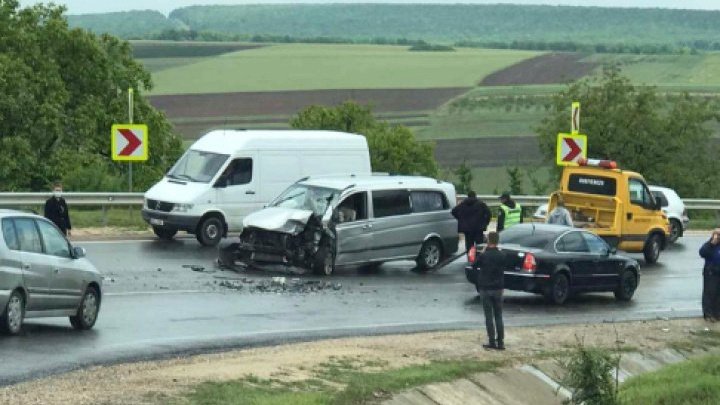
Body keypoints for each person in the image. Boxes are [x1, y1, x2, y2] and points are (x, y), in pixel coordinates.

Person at [473, 231, 506, 350]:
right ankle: (501, 342)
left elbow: (474, 265)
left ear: (488, 241)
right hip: (498, 288)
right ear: (497, 241)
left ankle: (492, 340)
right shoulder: (502, 255)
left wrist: (482, 252)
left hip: (485, 287)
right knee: (499, 315)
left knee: (488, 316)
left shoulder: (484, 255)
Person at [699, 229, 720, 321]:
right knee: (709, 293)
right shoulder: (709, 245)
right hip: (711, 271)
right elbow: (702, 252)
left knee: (718, 294)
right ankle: (708, 314)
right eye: (717, 235)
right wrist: (712, 243)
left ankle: (717, 314)